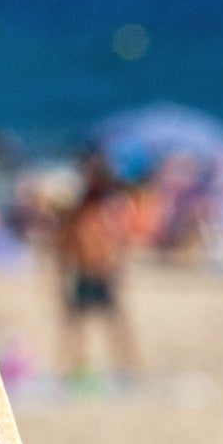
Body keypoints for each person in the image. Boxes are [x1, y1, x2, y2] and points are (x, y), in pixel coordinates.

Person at [52, 154, 142, 382]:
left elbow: (115, 243)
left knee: (111, 323)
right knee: (80, 325)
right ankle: (75, 368)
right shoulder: (84, 211)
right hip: (88, 272)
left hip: (100, 272)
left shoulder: (100, 209)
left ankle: (127, 368)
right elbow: (67, 246)